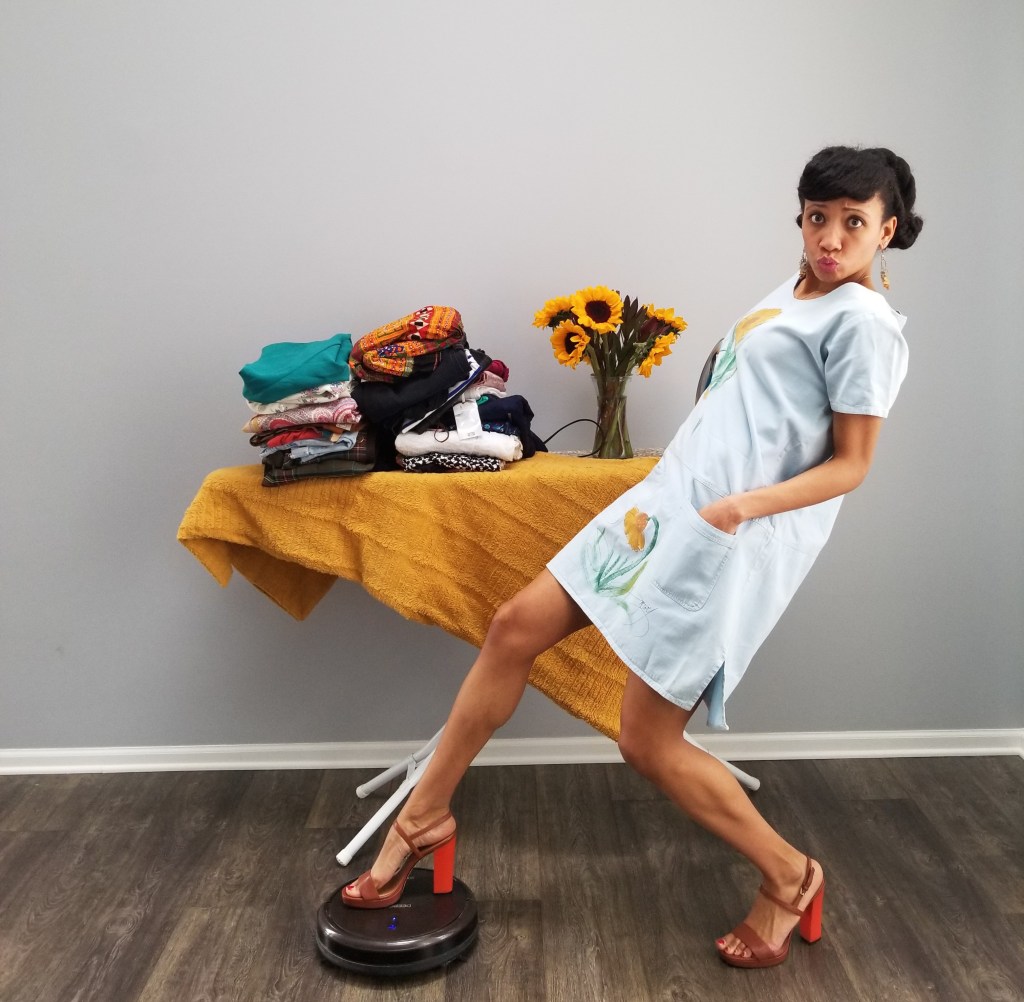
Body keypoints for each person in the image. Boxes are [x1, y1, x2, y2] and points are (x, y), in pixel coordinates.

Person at [341, 145, 923, 970]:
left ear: (886, 231)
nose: (830, 238)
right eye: (817, 217)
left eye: (853, 223)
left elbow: (851, 466)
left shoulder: (863, 324)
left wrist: (735, 509)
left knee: (647, 743)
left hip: (719, 537)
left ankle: (791, 876)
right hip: (660, 509)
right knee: (514, 628)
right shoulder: (795, 292)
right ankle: (421, 819)